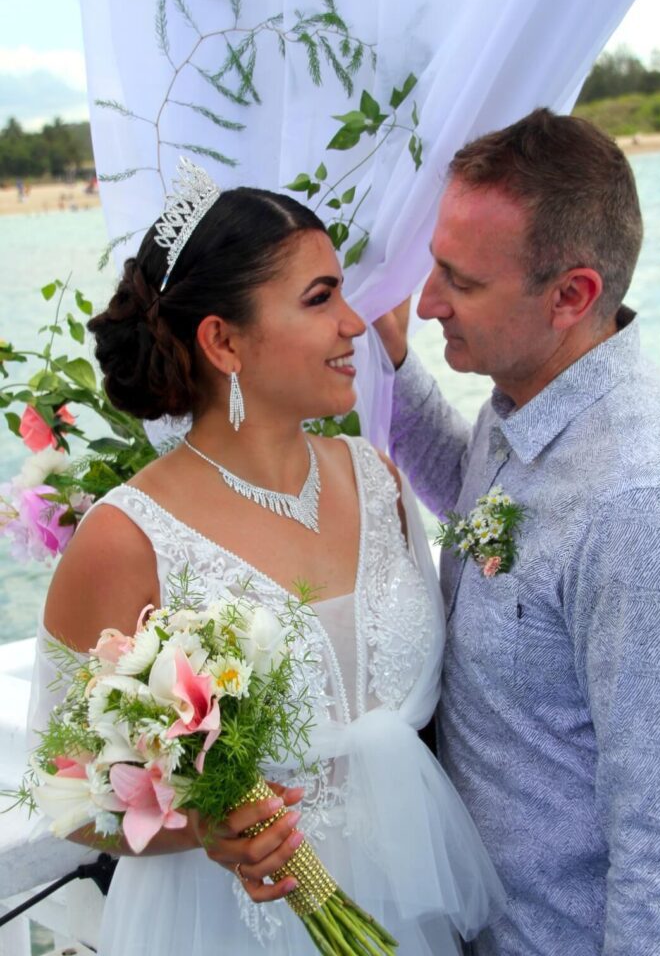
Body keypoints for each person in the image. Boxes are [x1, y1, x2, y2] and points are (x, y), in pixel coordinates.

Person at [29, 160, 503, 955]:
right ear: (222, 340)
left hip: (411, 904)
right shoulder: (124, 537)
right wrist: (203, 829)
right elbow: (70, 796)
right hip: (227, 926)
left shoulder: (374, 478)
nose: (355, 324)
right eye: (319, 299)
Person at [375, 108, 660, 955]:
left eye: (459, 282)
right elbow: (475, 517)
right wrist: (394, 369)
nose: (430, 301)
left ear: (571, 296)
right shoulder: (529, 394)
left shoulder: (635, 505)